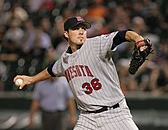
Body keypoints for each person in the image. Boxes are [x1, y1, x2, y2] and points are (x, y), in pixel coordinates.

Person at [14, 16, 149, 130]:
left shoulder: (96, 44)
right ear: (66, 34)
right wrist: (31, 79)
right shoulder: (65, 60)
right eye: (76, 28)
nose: (81, 31)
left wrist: (139, 40)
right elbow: (51, 70)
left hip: (114, 113)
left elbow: (123, 34)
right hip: (87, 118)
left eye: (83, 28)